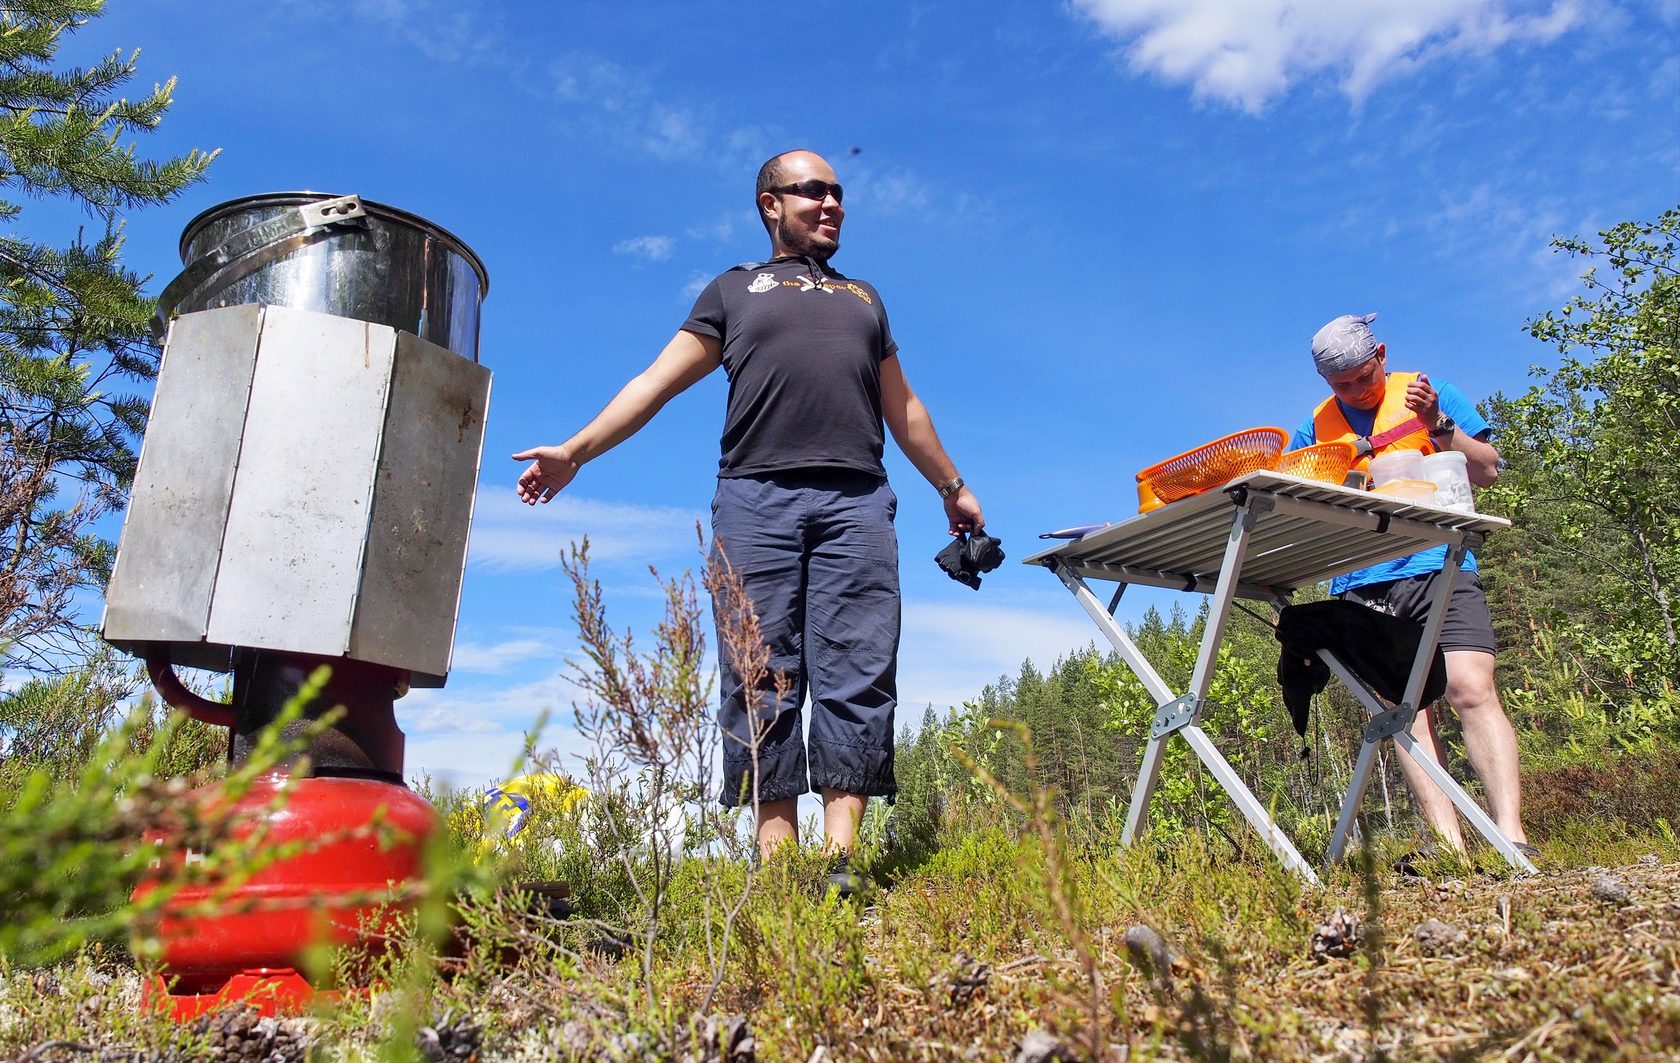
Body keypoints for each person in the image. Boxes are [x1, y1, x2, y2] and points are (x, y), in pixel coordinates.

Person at [513, 149, 983, 890]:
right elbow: (654, 382)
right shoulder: (734, 290)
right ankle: (778, 871)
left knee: (858, 669)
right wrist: (577, 450)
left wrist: (951, 485)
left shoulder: (866, 299)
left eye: (838, 194)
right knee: (758, 672)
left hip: (857, 500)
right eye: (814, 192)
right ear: (771, 204)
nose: (832, 204)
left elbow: (904, 406)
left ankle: (840, 866)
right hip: (755, 498)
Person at [1293, 312, 1532, 859]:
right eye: (1341, 384)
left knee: (1471, 688)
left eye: (1361, 376)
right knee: (1407, 710)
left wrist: (1440, 426)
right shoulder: (1316, 427)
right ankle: (1448, 847)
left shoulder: (1431, 393)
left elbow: (1489, 470)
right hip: (1364, 578)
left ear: (1381, 354)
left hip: (1440, 564)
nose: (1354, 389)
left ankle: (1512, 838)